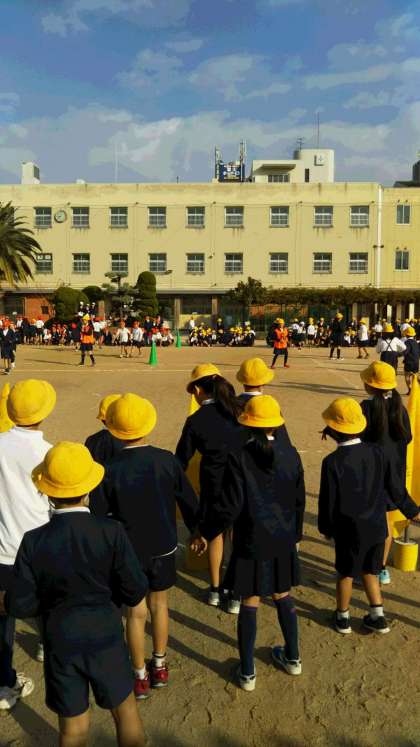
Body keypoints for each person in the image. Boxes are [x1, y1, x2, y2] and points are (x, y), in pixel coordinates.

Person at [1, 442, 147, 746]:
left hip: (61, 640)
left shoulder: (33, 541)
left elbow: (21, 604)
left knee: (73, 729)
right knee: (126, 713)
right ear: (88, 490)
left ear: (47, 492)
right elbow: (134, 590)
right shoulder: (111, 531)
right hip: (106, 636)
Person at [196, 395, 305, 691]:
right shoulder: (291, 454)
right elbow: (299, 500)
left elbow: (230, 506)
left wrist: (206, 532)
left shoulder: (239, 456)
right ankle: (293, 657)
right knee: (283, 594)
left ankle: (247, 672)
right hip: (282, 538)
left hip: (251, 539)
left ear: (247, 424)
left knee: (250, 600)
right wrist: (295, 535)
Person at [102, 394, 199, 700]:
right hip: (162, 545)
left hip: (127, 550)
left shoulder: (109, 468)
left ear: (114, 429)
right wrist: (197, 531)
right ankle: (159, 664)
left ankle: (139, 674)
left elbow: (101, 516)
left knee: (134, 613)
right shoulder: (166, 460)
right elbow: (188, 500)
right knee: (159, 605)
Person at [319, 397, 419, 635]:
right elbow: (395, 488)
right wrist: (413, 511)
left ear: (333, 430)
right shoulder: (377, 452)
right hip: (376, 526)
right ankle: (377, 615)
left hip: (348, 529)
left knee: (345, 573)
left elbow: (328, 500)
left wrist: (326, 528)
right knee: (371, 571)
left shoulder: (331, 462)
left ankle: (342, 617)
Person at [0, 379, 56, 709]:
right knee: (48, 604)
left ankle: (4, 684)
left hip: (3, 549)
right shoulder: (47, 452)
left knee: (3, 617)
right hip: (40, 547)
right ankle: (47, 647)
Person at [176, 364, 244, 611]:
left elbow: (181, 459)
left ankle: (215, 589)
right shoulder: (239, 410)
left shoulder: (196, 420)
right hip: (241, 480)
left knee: (216, 534)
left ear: (197, 390)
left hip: (212, 481)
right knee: (238, 536)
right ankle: (235, 592)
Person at [360, 361, 412, 584]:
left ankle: (368, 568)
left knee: (368, 524)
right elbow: (407, 437)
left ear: (370, 385)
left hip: (369, 475)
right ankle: (380, 568)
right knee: (386, 523)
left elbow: (356, 437)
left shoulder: (365, 407)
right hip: (394, 474)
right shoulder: (399, 407)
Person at [402, 326, 420, 395]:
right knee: (415, 376)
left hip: (409, 362)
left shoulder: (407, 342)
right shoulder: (416, 342)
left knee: (407, 375)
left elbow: (406, 352)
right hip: (416, 361)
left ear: (406, 335)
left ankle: (410, 389)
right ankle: (416, 388)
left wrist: (400, 354)